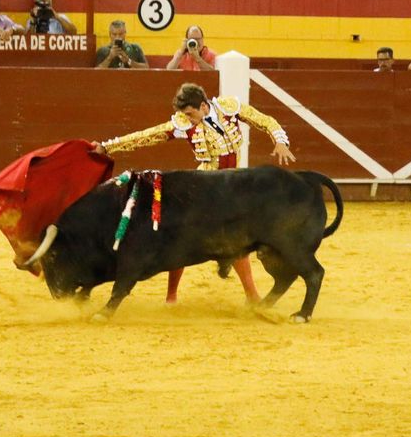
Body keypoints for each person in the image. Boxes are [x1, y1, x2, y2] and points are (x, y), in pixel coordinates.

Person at [97, 81, 295, 305]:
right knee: (181, 239)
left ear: (203, 105)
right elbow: (148, 135)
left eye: (191, 113)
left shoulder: (228, 107)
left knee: (240, 238)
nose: (188, 119)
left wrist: (280, 141)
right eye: (185, 115)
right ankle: (171, 296)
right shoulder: (184, 122)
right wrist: (107, 146)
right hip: (205, 186)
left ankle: (252, 296)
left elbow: (265, 121)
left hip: (234, 186)